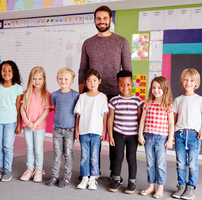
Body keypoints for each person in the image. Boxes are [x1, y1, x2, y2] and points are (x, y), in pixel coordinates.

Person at [78, 5, 132, 179]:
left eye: (104, 18)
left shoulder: (121, 41)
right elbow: (82, 69)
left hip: (116, 95)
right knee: (93, 133)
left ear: (110, 20)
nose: (101, 21)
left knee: (114, 135)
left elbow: (128, 70)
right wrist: (81, 93)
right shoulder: (88, 43)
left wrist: (128, 94)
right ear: (95, 20)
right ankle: (93, 171)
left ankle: (114, 173)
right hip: (93, 94)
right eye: (98, 18)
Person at [172, 69, 202, 200]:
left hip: (194, 136)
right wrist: (171, 135)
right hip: (180, 134)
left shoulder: (199, 99)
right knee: (180, 163)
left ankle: (190, 187)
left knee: (193, 164)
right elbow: (174, 119)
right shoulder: (178, 100)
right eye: (186, 79)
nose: (188, 82)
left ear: (196, 83)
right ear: (182, 81)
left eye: (192, 80)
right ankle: (181, 185)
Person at [138, 76, 174, 199]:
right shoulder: (147, 103)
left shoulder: (168, 105)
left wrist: (170, 139)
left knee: (160, 164)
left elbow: (171, 124)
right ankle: (151, 185)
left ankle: (160, 188)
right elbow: (142, 120)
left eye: (159, 88)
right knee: (150, 163)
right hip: (148, 137)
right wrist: (140, 134)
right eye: (154, 87)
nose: (156, 90)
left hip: (161, 138)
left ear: (165, 89)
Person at [108, 70, 143, 194]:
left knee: (131, 158)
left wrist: (140, 135)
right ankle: (116, 180)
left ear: (132, 84)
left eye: (128, 84)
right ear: (117, 85)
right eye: (122, 85)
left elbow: (140, 120)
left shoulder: (137, 101)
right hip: (118, 134)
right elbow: (110, 119)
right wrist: (110, 135)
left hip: (132, 135)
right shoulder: (114, 101)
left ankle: (132, 182)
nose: (125, 87)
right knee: (117, 157)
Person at [0, 60, 23, 182]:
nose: (6, 72)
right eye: (4, 70)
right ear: (0, 72)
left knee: (8, 147)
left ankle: (7, 170)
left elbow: (18, 108)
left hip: (11, 121)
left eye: (9, 70)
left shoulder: (17, 88)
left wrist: (19, 125)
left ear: (14, 72)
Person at [75, 69, 109, 190]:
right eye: (89, 81)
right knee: (85, 155)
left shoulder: (102, 97)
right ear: (85, 83)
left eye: (94, 80)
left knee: (94, 155)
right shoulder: (82, 97)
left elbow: (105, 115)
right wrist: (76, 130)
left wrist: (104, 131)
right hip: (84, 131)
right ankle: (84, 177)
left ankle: (93, 179)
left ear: (99, 81)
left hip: (97, 132)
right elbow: (78, 115)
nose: (92, 83)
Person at [46, 67, 79, 187]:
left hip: (70, 129)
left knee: (68, 154)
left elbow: (77, 114)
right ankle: (54, 175)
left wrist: (76, 130)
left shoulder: (76, 95)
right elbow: (55, 109)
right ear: (57, 80)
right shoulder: (55, 94)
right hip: (57, 129)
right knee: (57, 153)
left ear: (71, 81)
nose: (63, 81)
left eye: (66, 79)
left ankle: (67, 176)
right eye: (60, 78)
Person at [19, 66, 52, 182]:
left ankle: (38, 169)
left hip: (39, 127)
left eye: (39, 79)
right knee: (29, 148)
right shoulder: (27, 92)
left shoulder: (47, 94)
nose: (37, 82)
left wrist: (35, 123)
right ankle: (30, 168)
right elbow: (22, 109)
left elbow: (46, 110)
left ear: (44, 80)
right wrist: (28, 122)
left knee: (38, 148)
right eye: (34, 79)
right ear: (30, 80)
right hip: (27, 126)